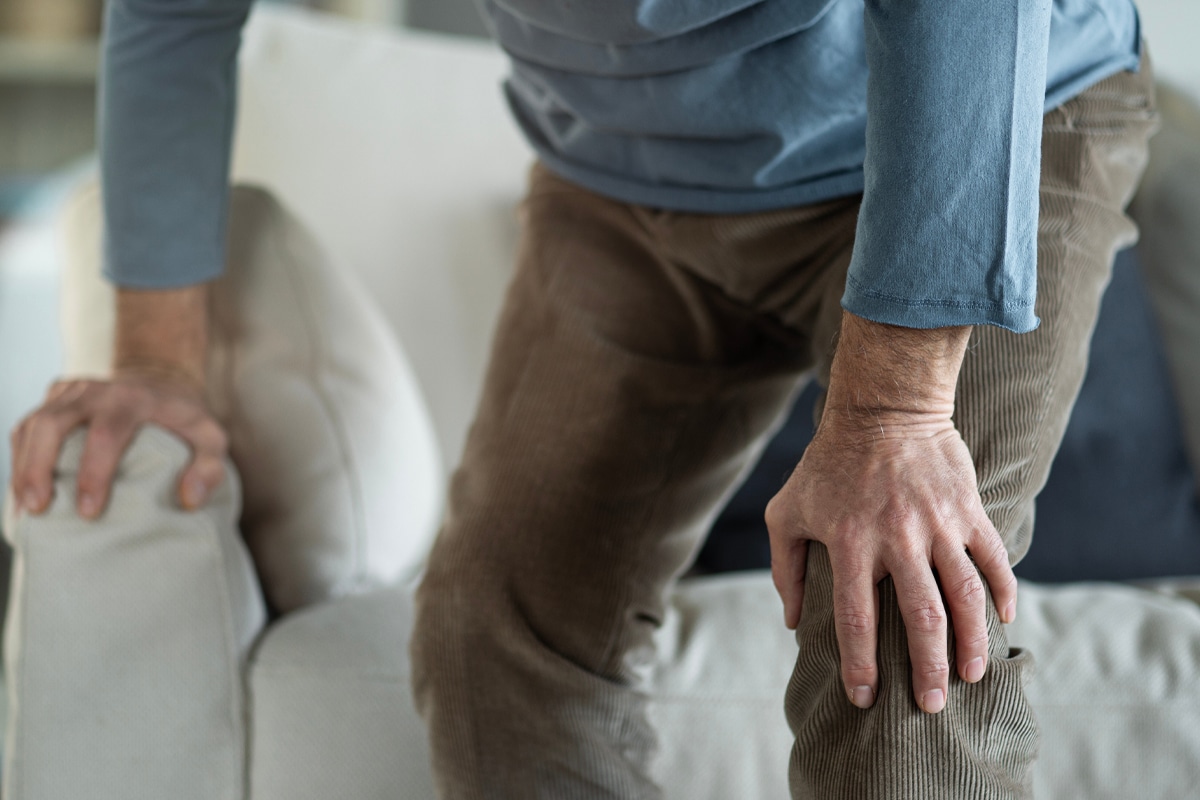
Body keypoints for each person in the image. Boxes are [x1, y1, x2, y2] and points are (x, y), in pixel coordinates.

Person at [8, 0, 1157, 796]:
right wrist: (156, 362)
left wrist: (895, 412)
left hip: (978, 114)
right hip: (626, 170)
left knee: (900, 611)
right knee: (494, 635)